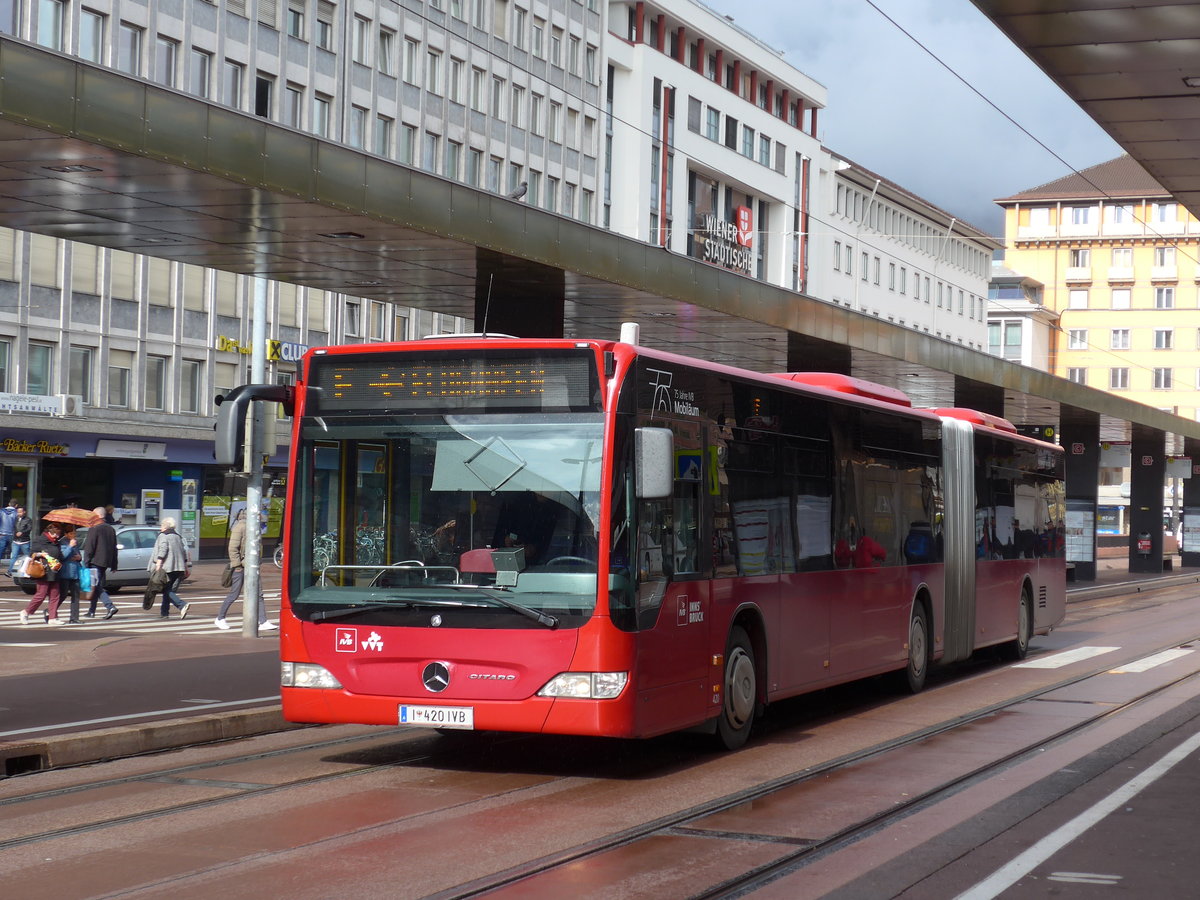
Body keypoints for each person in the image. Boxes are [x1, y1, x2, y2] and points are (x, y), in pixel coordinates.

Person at [214, 509, 276, 631]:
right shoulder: (240, 527)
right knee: (234, 594)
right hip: (241, 567)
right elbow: (233, 548)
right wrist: (237, 566)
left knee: (259, 594)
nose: (261, 517)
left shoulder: (253, 527)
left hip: (252, 566)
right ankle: (220, 618)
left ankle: (263, 621)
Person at [19, 521, 66, 625]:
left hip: (54, 571)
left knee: (55, 594)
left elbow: (59, 555)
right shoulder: (40, 540)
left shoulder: (56, 542)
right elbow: (32, 553)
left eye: (58, 535)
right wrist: (42, 554)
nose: (57, 536)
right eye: (55, 534)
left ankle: (52, 618)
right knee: (41, 594)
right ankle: (26, 612)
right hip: (43, 571)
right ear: (50, 532)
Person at [146, 517, 191, 619]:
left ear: (165, 526)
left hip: (167, 567)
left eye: (162, 525)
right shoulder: (177, 536)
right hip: (178, 568)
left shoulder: (163, 536)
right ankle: (164, 613)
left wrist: (158, 563)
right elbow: (183, 552)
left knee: (165, 589)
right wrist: (185, 566)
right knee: (168, 589)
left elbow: (163, 549)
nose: (160, 527)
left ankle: (181, 604)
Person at [83, 506, 119, 619]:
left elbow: (90, 547)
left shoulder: (94, 528)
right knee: (96, 585)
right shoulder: (111, 529)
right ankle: (91, 611)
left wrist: (86, 562)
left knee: (97, 586)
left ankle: (110, 606)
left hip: (95, 561)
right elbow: (114, 548)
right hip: (105, 562)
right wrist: (114, 564)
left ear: (98, 516)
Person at [59, 528, 83, 624]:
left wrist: (79, 557)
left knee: (76, 596)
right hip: (66, 572)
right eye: (71, 533)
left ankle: (74, 617)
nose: (73, 535)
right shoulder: (62, 543)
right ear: (66, 534)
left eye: (74, 533)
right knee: (63, 595)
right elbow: (62, 556)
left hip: (75, 572)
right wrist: (70, 546)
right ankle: (50, 611)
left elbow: (78, 555)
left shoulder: (75, 542)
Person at [8, 505, 32, 576]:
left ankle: (29, 570)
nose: (19, 513)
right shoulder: (15, 519)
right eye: (18, 512)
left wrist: (22, 532)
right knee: (14, 556)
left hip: (24, 541)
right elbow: (13, 528)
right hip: (16, 541)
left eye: (20, 512)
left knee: (27, 556)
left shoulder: (28, 520)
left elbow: (29, 528)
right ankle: (10, 571)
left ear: (24, 512)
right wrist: (14, 534)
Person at [0, 498, 16, 569]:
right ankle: (11, 569)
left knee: (0, 551)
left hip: (2, 534)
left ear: (9, 504)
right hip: (12, 534)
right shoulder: (16, 513)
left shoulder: (1, 511)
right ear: (16, 505)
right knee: (14, 552)